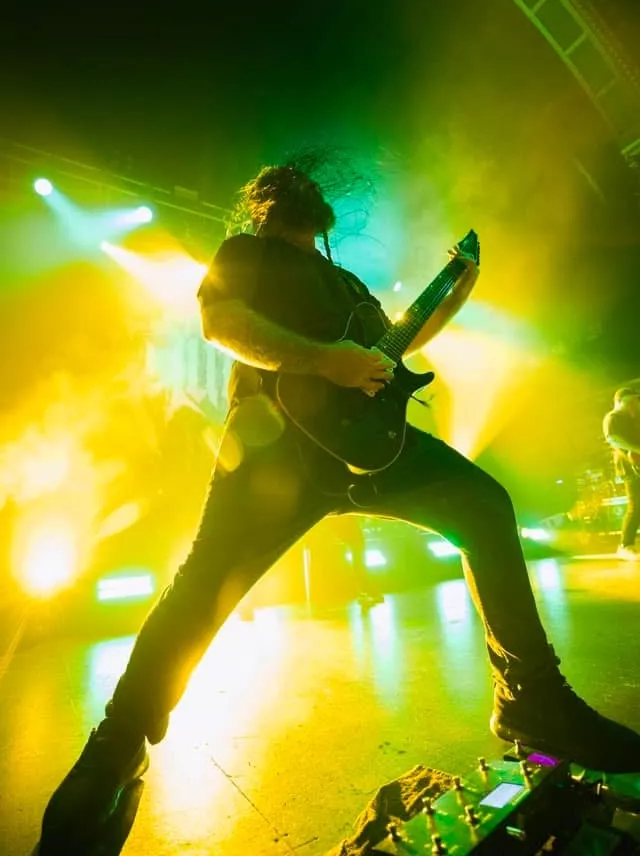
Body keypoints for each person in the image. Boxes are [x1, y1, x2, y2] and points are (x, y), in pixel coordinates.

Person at [39, 165, 640, 853]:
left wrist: (455, 290)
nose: (302, 184)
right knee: (201, 585)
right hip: (274, 449)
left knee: (482, 505)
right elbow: (222, 323)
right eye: (284, 182)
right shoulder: (246, 252)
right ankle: (116, 745)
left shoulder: (347, 282)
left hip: (369, 446)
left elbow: (397, 347)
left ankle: (532, 698)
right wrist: (324, 361)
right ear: (262, 204)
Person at [603, 381, 640, 560]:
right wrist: (637, 449)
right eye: (630, 401)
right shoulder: (612, 417)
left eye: (635, 401)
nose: (634, 404)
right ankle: (625, 545)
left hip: (636, 465)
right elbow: (613, 438)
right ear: (619, 401)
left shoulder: (632, 419)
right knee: (635, 506)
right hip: (628, 467)